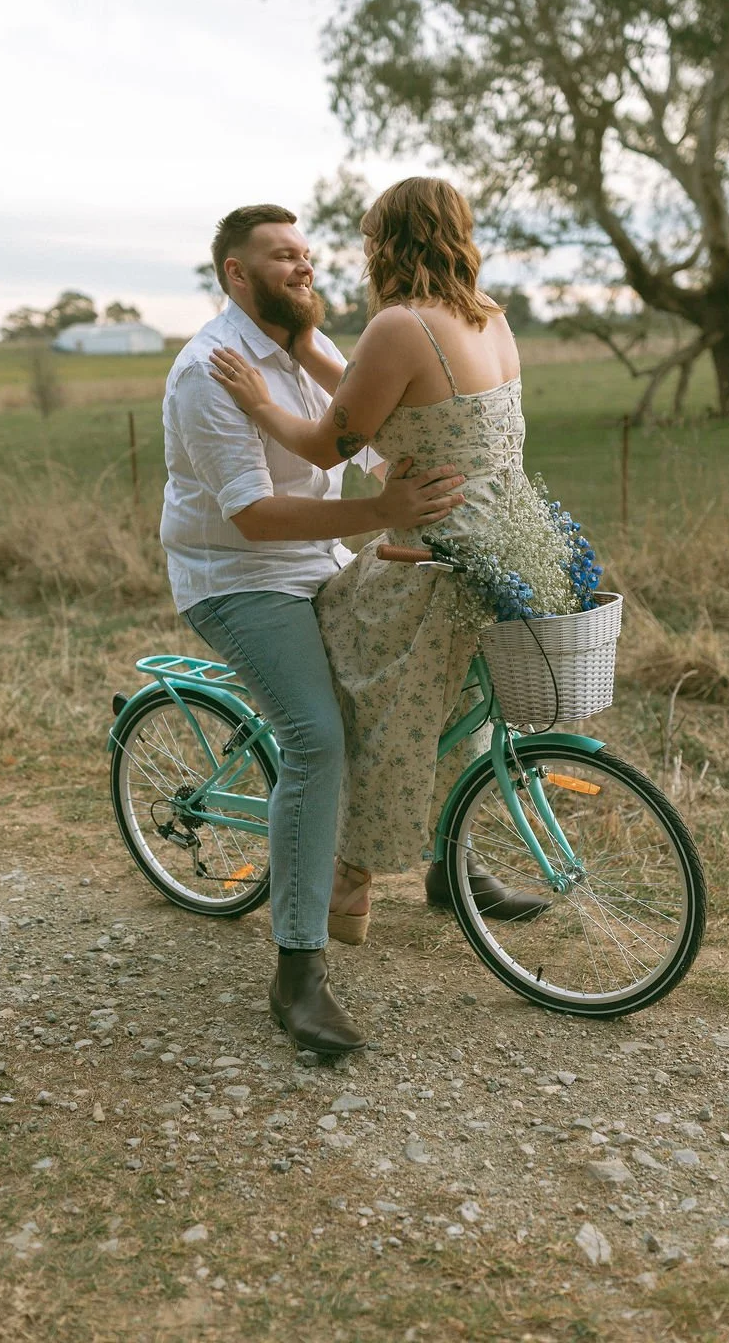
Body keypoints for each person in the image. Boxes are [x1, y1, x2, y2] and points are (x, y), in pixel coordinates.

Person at [211, 177, 565, 946]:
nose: (364, 254)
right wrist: (309, 350)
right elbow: (398, 408)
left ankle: (348, 882)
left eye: (371, 239)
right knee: (454, 714)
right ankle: (451, 866)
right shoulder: (490, 318)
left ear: (394, 244)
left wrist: (259, 402)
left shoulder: (400, 324)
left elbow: (330, 441)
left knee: (383, 715)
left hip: (425, 554)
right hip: (490, 549)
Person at [160, 203, 466, 1056]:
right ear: (235, 274)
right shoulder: (208, 372)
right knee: (317, 739)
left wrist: (406, 486)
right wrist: (383, 509)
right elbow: (253, 517)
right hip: (238, 578)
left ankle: (452, 870)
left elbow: (363, 438)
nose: (302, 265)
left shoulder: (305, 348)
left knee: (421, 668)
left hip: (318, 558)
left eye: (305, 253)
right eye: (280, 256)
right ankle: (298, 974)